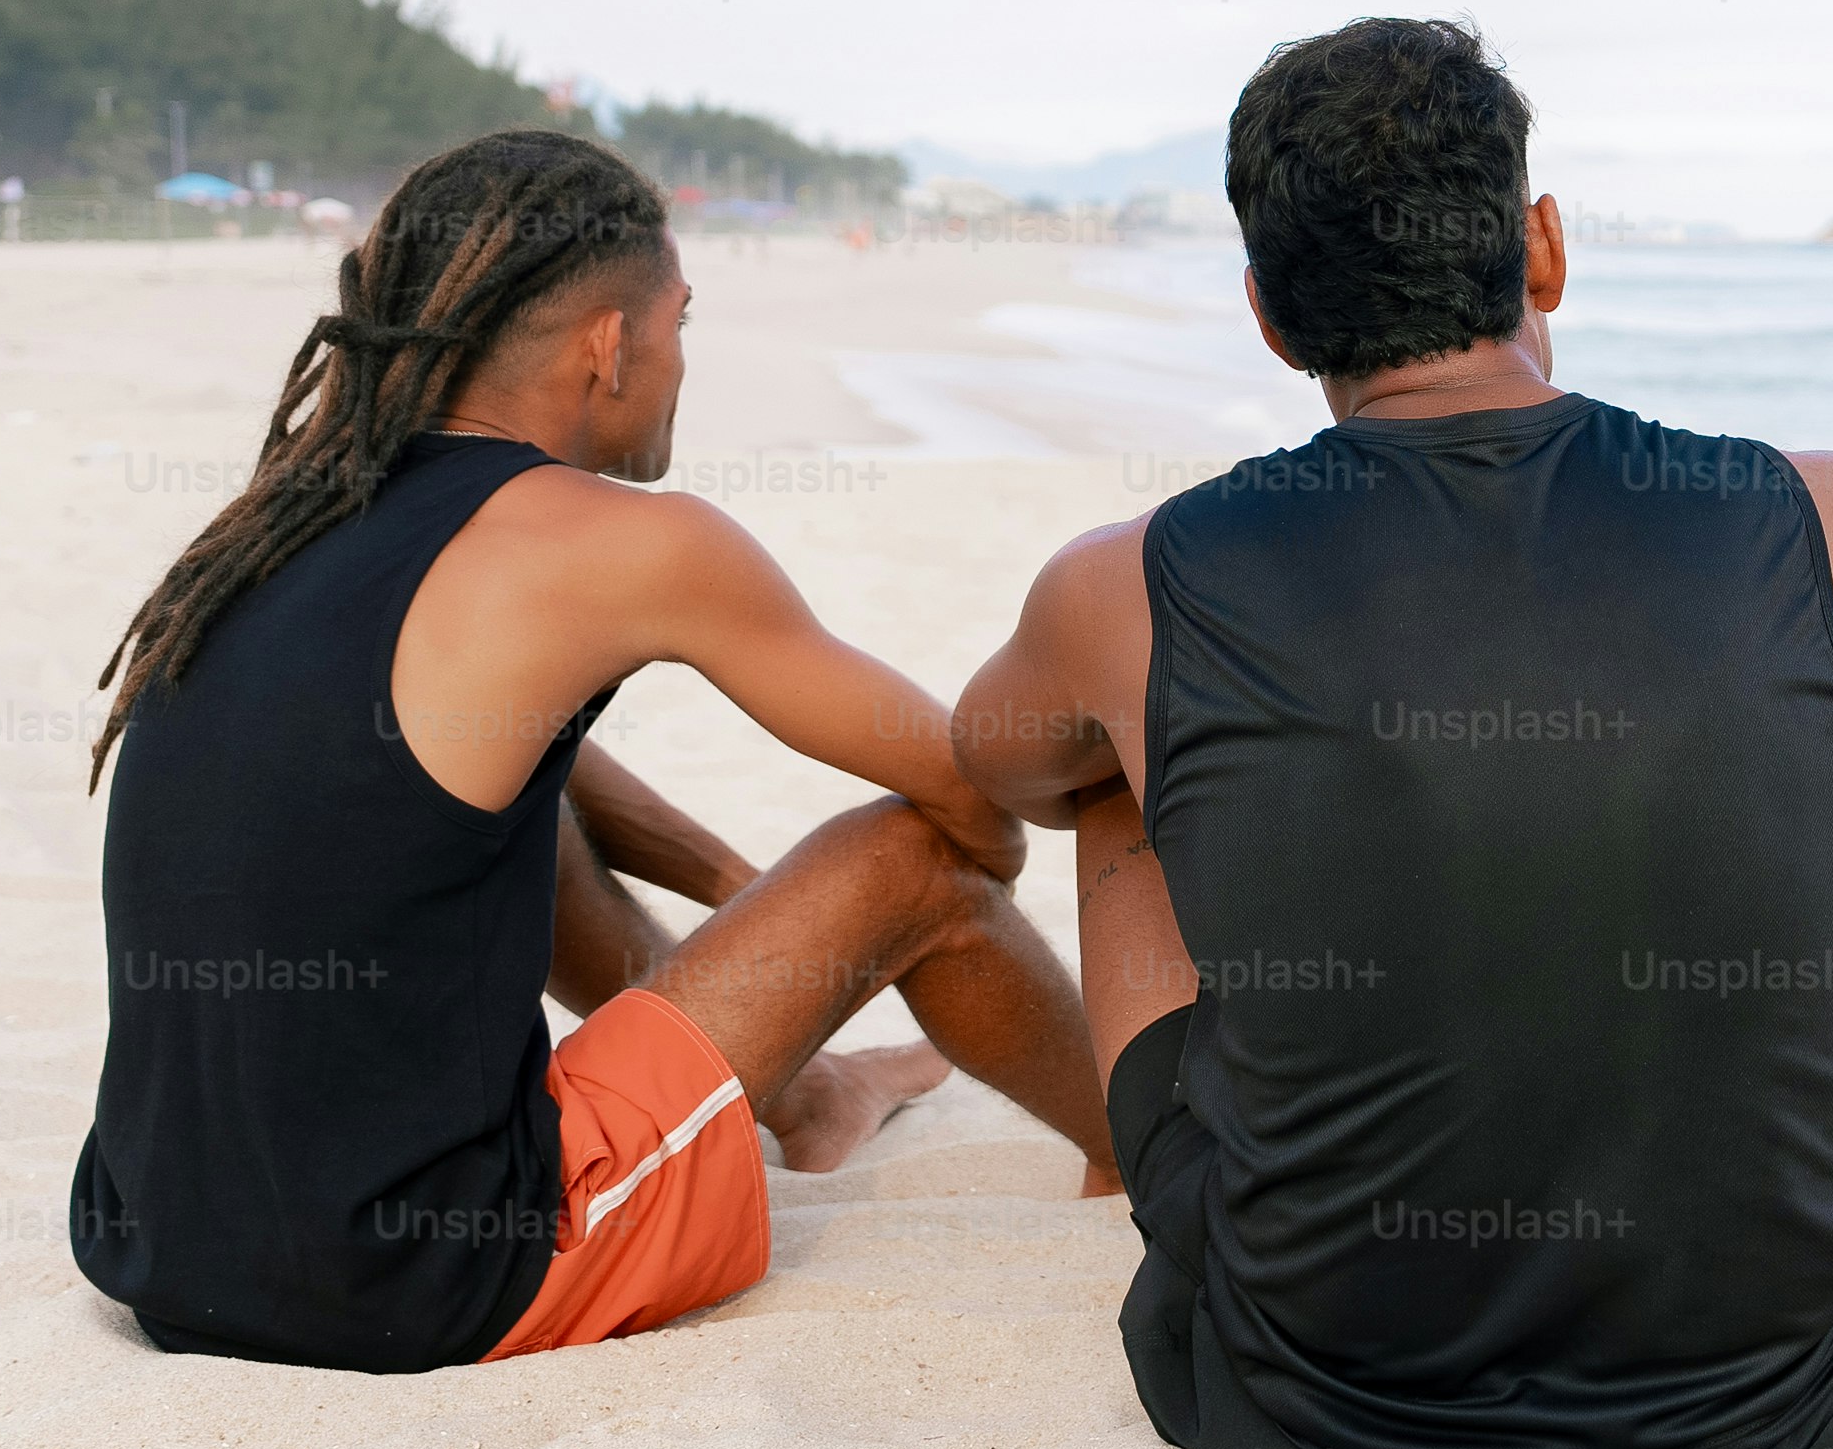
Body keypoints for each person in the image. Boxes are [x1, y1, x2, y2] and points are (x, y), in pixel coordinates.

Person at [952, 19, 1833, 1449]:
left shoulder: (1132, 583)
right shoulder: (1826, 507)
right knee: (1814, 710)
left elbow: (1005, 770)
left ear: (1270, 319)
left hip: (1308, 1396)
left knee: (1122, 766)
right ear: (1542, 249)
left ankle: (1153, 1157)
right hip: (1805, 1384)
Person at [69, 129, 1109, 1372]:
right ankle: (1146, 1149)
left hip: (164, 1253)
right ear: (608, 346)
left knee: (514, 803)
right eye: (680, 322)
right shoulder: (631, 541)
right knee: (909, 864)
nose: (679, 361)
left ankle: (812, 1091)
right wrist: (950, 871)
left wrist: (760, 915)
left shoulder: (281, 525)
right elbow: (959, 781)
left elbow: (450, 778)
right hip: (431, 1274)